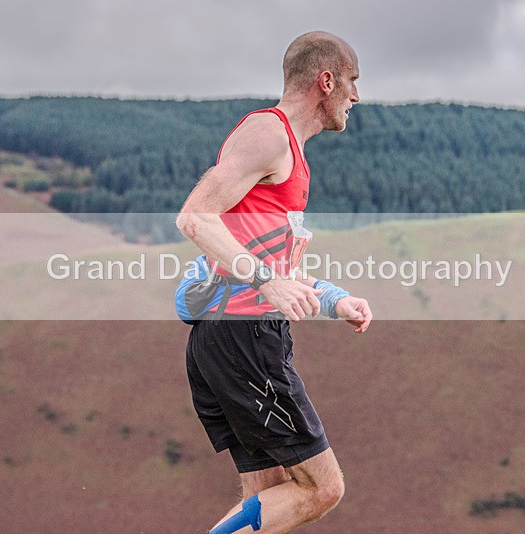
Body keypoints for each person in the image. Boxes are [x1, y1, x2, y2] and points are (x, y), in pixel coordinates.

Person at [176, 31, 372, 533]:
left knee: (269, 493)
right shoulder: (270, 132)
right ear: (326, 81)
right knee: (322, 486)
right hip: (244, 336)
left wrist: (334, 301)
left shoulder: (287, 152)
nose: (358, 96)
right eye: (353, 82)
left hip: (227, 337)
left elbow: (274, 268)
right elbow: (195, 217)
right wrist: (266, 282)